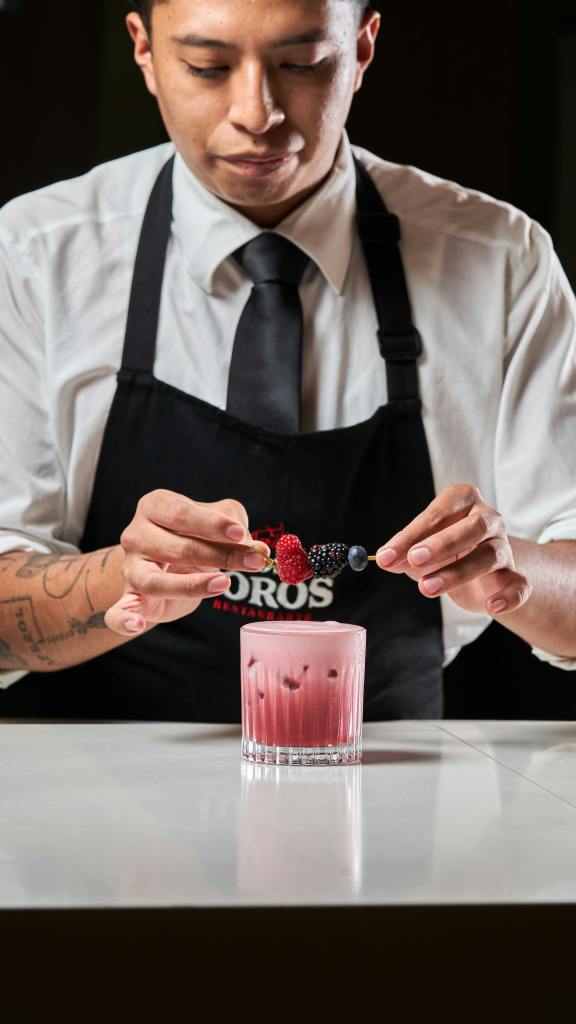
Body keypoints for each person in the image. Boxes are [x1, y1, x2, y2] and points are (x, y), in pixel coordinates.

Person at [0, 0, 575, 721]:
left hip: (390, 786)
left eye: (302, 65)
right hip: (97, 787)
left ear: (363, 48)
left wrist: (510, 567)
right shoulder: (32, 256)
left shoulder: (501, 262)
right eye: (207, 67)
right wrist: (125, 575)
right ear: (144, 51)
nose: (256, 113)